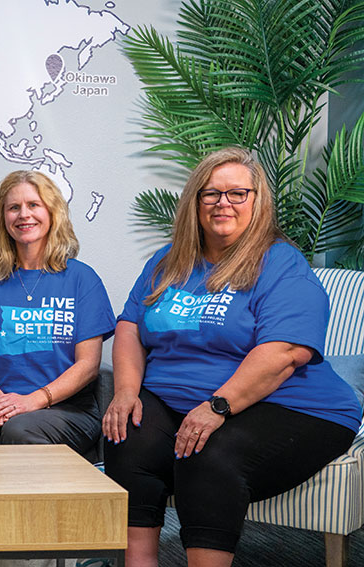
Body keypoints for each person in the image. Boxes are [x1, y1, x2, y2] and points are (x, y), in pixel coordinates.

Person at [102, 147, 361, 567]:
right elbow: (130, 325)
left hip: (292, 405)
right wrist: (127, 392)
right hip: (178, 398)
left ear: (258, 203)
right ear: (194, 202)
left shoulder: (280, 263)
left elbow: (284, 352)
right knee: (126, 434)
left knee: (207, 453)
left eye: (238, 193)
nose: (223, 203)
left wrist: (217, 406)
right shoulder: (168, 262)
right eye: (211, 193)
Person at [0, 170, 113, 452]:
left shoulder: (82, 279)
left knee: (19, 427)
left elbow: (88, 365)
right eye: (14, 208)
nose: (24, 214)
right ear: (3, 219)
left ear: (52, 213)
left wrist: (34, 400)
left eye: (33, 205)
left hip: (67, 407)